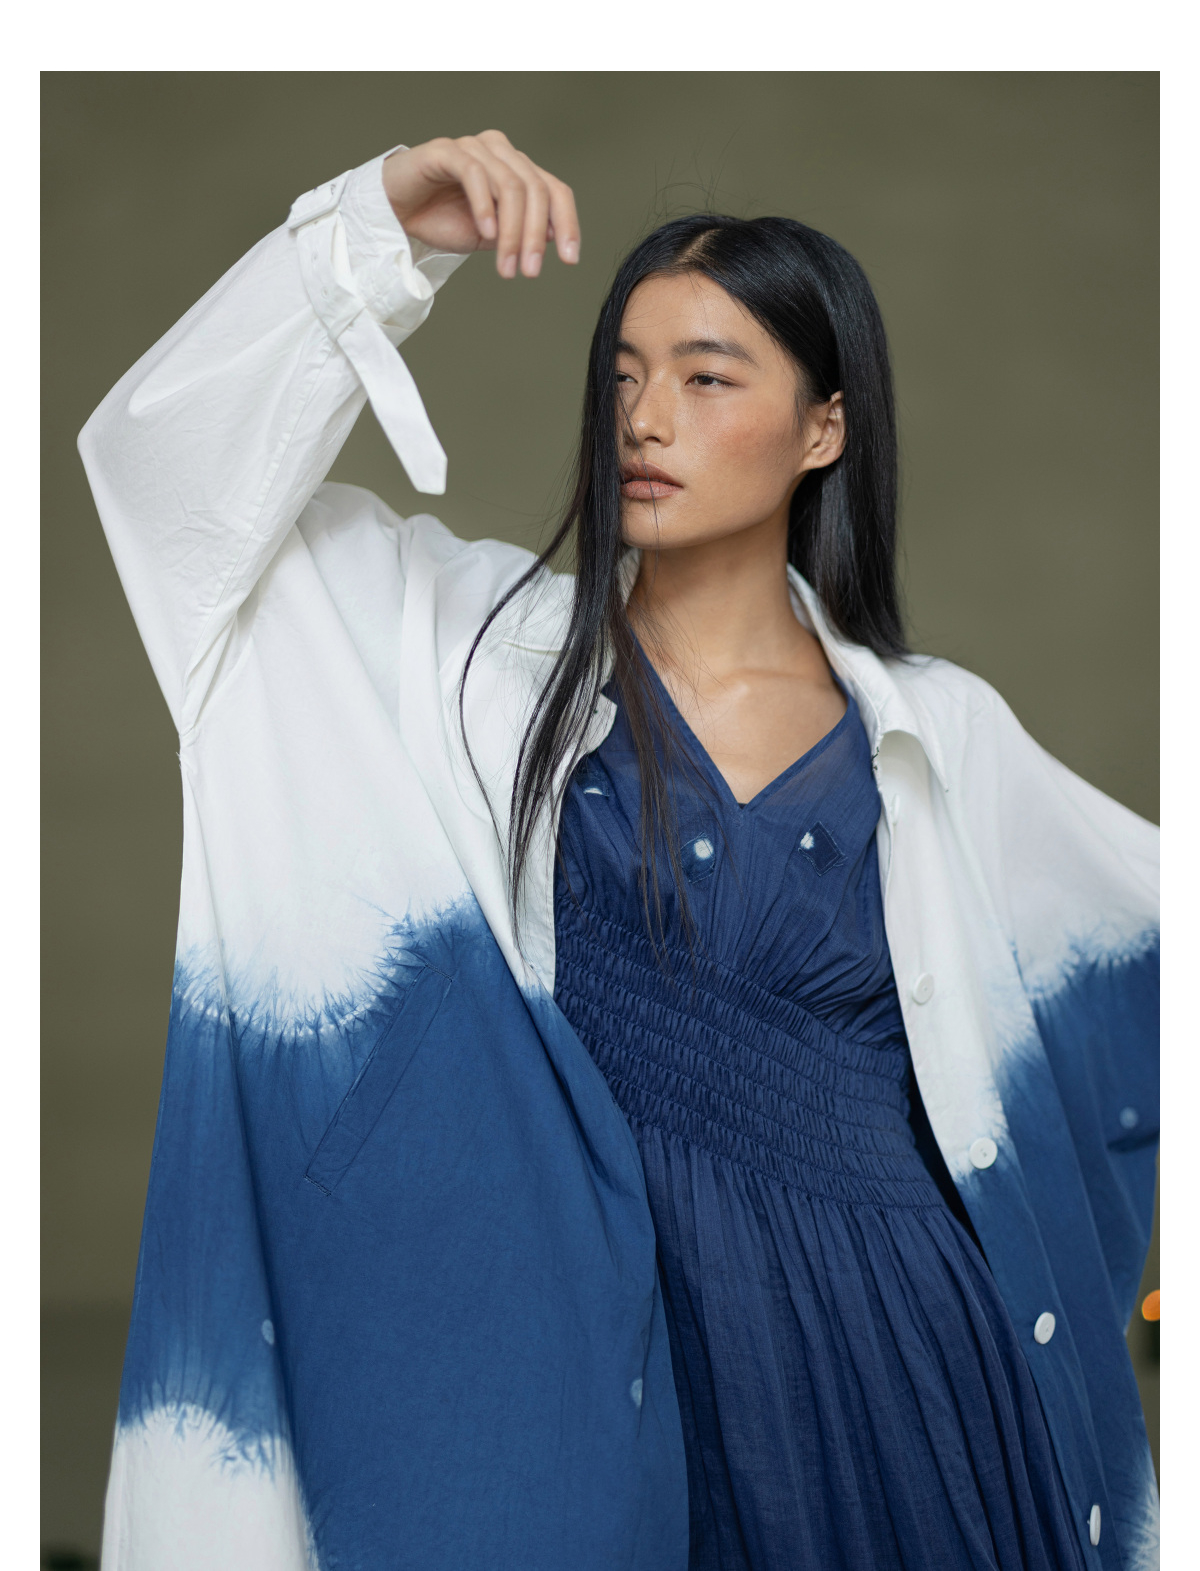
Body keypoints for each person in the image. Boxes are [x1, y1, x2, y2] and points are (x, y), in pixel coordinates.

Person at [79, 131, 1159, 1571]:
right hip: (577, 1366)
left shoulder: (939, 734)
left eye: (708, 379)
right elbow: (160, 485)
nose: (646, 418)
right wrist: (374, 234)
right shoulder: (470, 660)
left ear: (824, 429)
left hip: (908, 1363)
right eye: (626, 376)